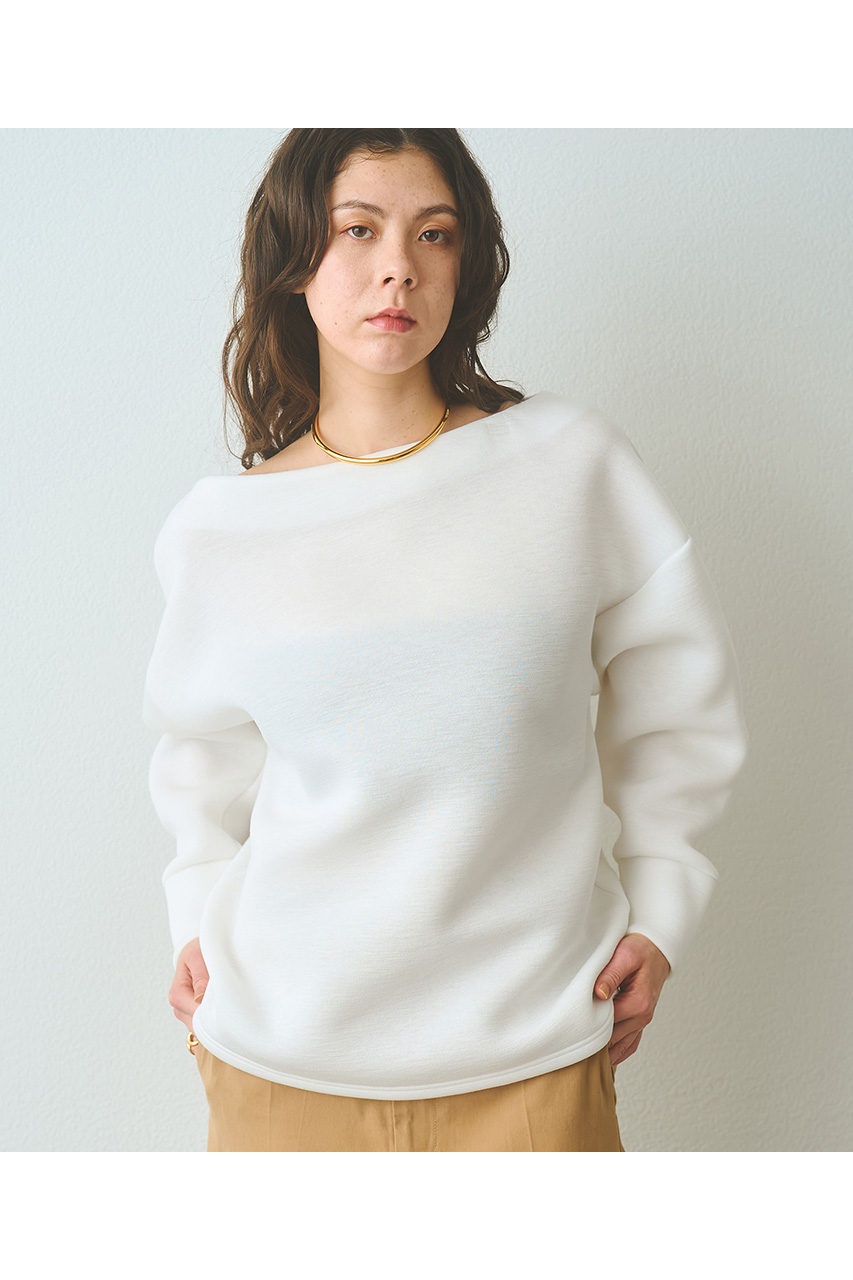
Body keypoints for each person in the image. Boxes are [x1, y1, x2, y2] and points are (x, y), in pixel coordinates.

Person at [142, 128, 749, 1152]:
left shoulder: (567, 466)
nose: (398, 267)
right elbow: (200, 761)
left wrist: (661, 905)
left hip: (533, 1053)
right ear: (294, 258)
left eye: (434, 233)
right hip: (276, 1059)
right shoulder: (222, 529)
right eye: (357, 229)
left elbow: (678, 708)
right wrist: (195, 910)